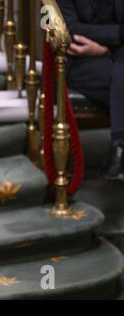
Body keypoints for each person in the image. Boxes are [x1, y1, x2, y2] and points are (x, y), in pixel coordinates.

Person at [59, 0, 124, 181]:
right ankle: (118, 154)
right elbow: (70, 30)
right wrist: (116, 36)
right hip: (82, 60)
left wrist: (106, 49)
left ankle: (118, 151)